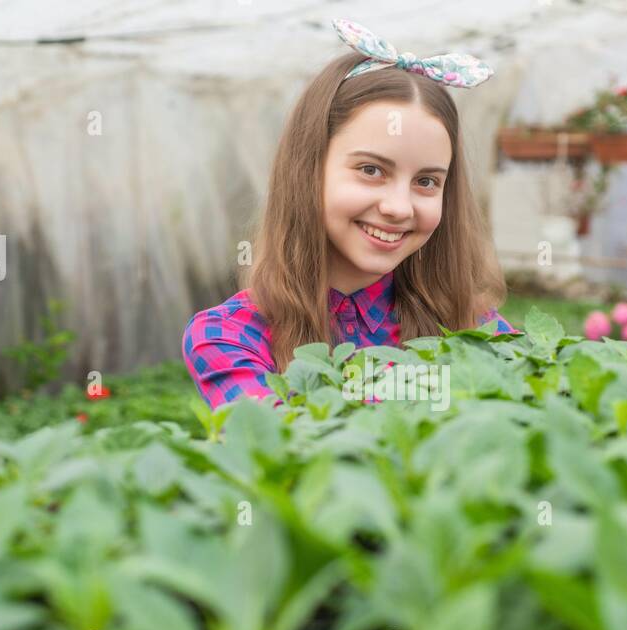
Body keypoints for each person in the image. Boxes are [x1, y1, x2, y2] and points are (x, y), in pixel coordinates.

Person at [184, 19, 515, 408]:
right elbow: (287, 447)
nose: (398, 207)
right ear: (308, 170)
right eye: (371, 170)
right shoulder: (230, 336)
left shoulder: (475, 327)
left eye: (426, 181)